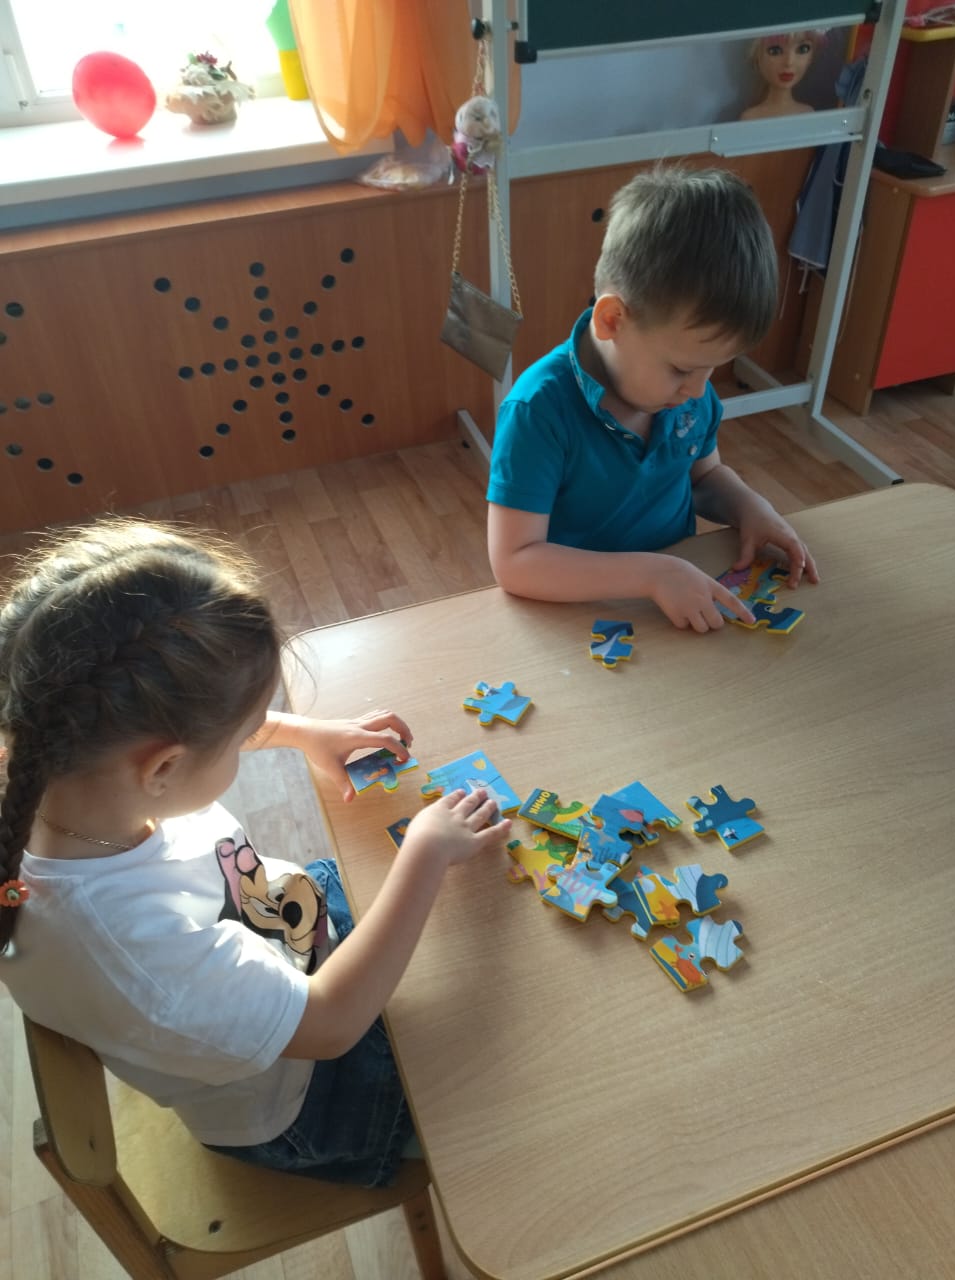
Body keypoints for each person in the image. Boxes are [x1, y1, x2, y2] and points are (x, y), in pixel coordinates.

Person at [0, 518, 510, 1187]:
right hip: (310, 1097)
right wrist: (425, 853)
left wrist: (303, 732)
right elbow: (330, 1024)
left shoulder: (54, 764)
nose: (250, 739)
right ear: (163, 768)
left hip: (280, 929)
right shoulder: (136, 949)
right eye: (242, 736)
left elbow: (179, 726)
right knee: (506, 1085)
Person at [486, 166, 819, 632]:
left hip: (675, 605)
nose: (698, 391)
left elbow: (704, 476)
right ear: (612, 321)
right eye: (682, 369)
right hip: (578, 621)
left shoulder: (685, 394)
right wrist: (651, 575)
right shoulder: (537, 411)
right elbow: (515, 561)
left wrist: (749, 507)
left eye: (713, 368)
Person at [740, 32, 820, 121]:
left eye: (802, 49)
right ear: (758, 56)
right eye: (775, 51)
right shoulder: (750, 117)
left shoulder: (808, 112)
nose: (789, 62)